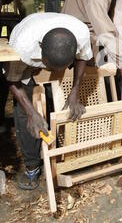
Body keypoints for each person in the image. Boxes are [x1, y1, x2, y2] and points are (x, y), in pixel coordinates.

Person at [3, 12, 93, 190]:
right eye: (48, 65)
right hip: (25, 63)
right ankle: (32, 166)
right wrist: (32, 113)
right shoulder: (23, 44)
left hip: (53, 53)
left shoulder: (81, 34)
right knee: (25, 113)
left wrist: (74, 92)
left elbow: (83, 59)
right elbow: (12, 81)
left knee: (55, 99)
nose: (49, 70)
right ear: (40, 47)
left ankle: (60, 155)